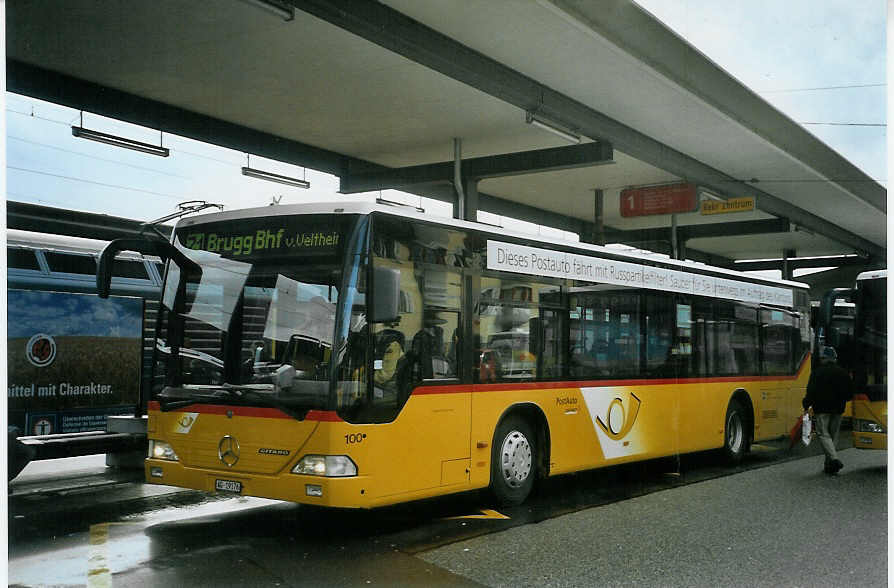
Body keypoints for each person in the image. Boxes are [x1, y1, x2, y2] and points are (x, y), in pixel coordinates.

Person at [802, 346, 853, 474]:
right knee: (833, 436)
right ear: (834, 359)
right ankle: (829, 465)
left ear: (824, 358)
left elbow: (811, 391)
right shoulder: (843, 373)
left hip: (822, 409)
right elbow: (849, 393)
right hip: (838, 409)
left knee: (823, 434)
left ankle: (834, 460)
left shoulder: (817, 372)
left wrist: (806, 404)